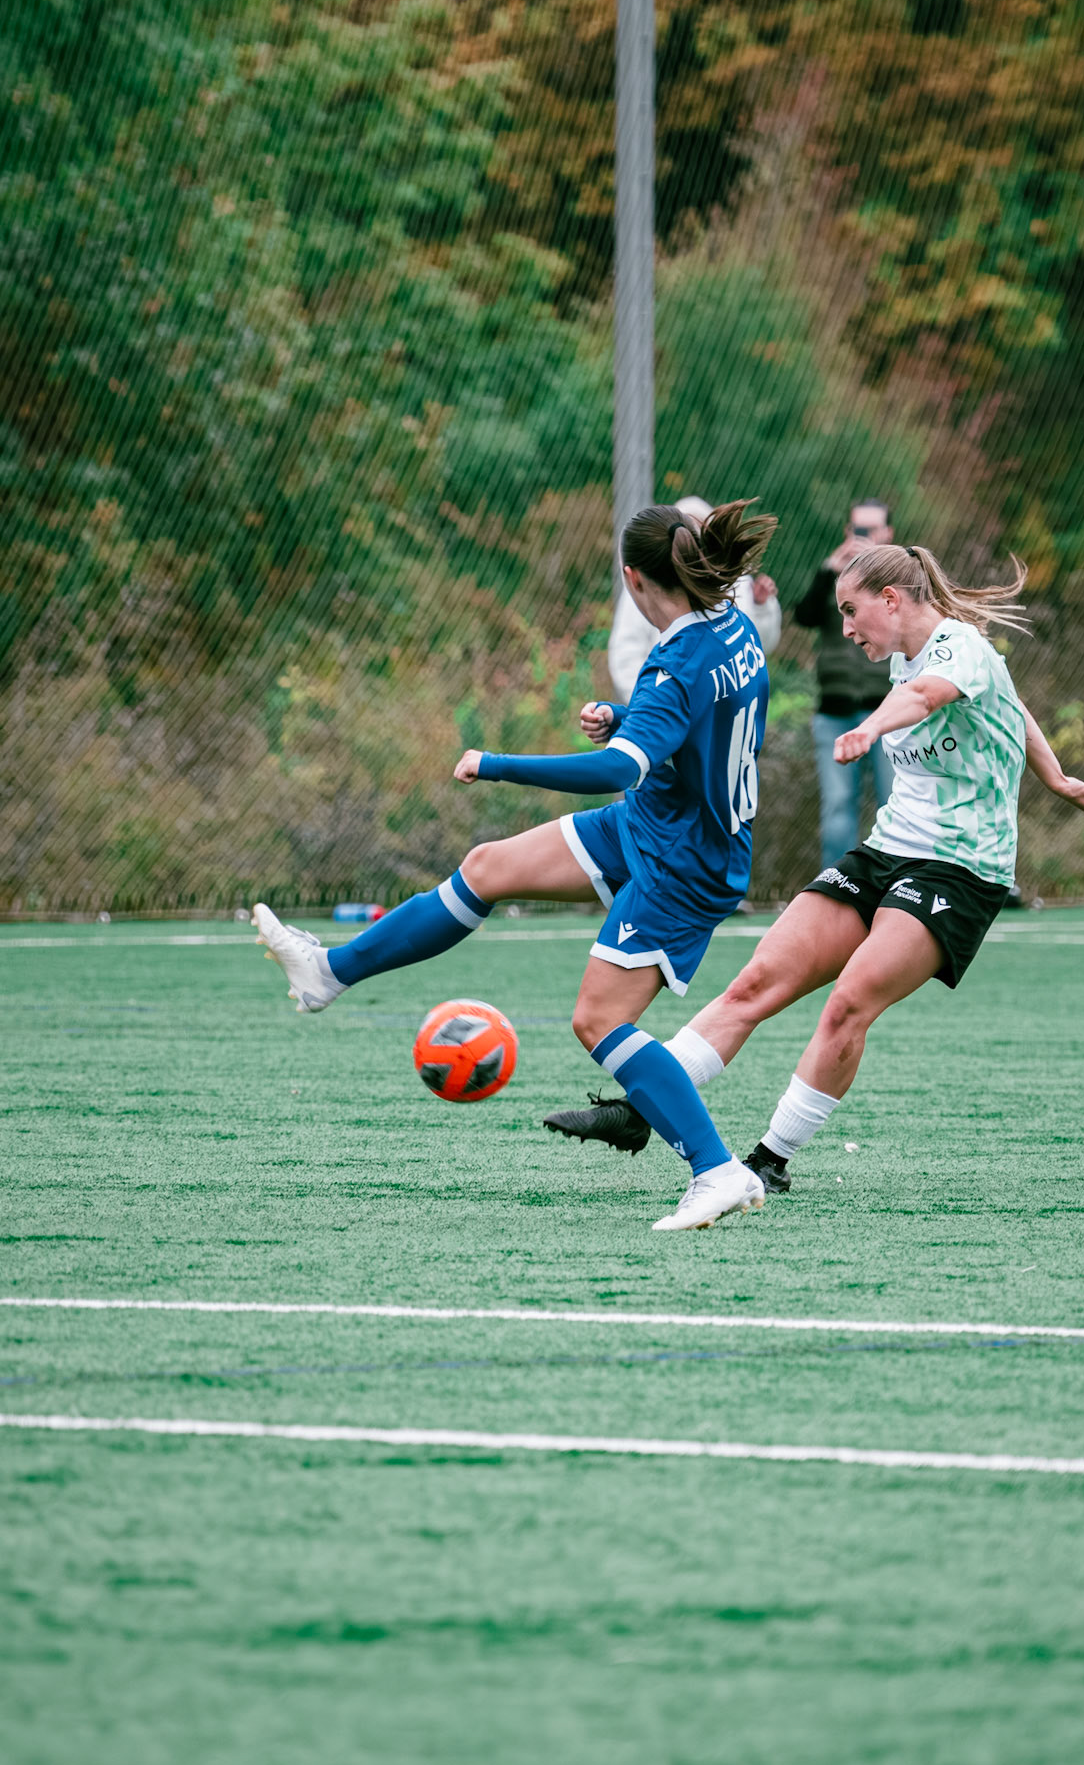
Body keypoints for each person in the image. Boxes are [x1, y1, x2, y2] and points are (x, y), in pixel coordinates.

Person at [252, 499, 778, 1233]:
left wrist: (494, 762)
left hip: (682, 859)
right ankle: (327, 973)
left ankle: (717, 1170)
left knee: (598, 1021)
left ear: (631, 577)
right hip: (660, 822)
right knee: (487, 866)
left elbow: (619, 769)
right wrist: (627, 718)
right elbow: (707, 720)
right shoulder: (733, 629)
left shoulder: (672, 660)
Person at [545, 543, 1084, 1192]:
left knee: (848, 1004)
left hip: (958, 868)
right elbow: (1008, 707)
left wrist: (871, 729)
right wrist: (1059, 780)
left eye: (851, 611)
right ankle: (640, 1111)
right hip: (886, 851)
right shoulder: (915, 652)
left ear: (891, 600)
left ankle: (769, 1160)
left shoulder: (958, 647)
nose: (844, 628)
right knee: (756, 982)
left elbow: (928, 697)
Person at [793, 497, 897, 867]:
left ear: (888, 533)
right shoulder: (833, 579)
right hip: (834, 712)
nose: (864, 536)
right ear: (847, 531)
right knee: (837, 807)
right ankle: (835, 892)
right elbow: (803, 616)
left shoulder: (902, 582)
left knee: (897, 804)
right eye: (858, 529)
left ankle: (897, 888)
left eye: (872, 530)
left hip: (889, 713)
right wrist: (828, 571)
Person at [608, 494, 780, 700]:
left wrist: (760, 607)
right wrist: (643, 704)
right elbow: (626, 650)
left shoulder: (735, 584)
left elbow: (760, 644)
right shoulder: (650, 583)